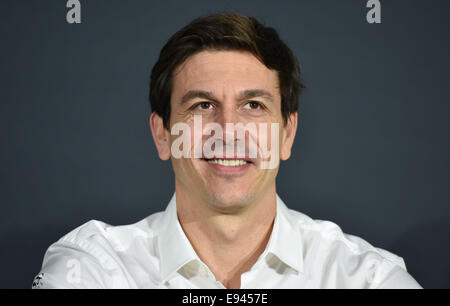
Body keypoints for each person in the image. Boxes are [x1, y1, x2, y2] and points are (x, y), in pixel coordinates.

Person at [32, 12, 421, 289]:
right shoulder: (94, 269)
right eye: (202, 105)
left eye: (254, 105)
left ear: (287, 134)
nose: (228, 130)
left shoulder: (368, 279)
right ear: (162, 134)